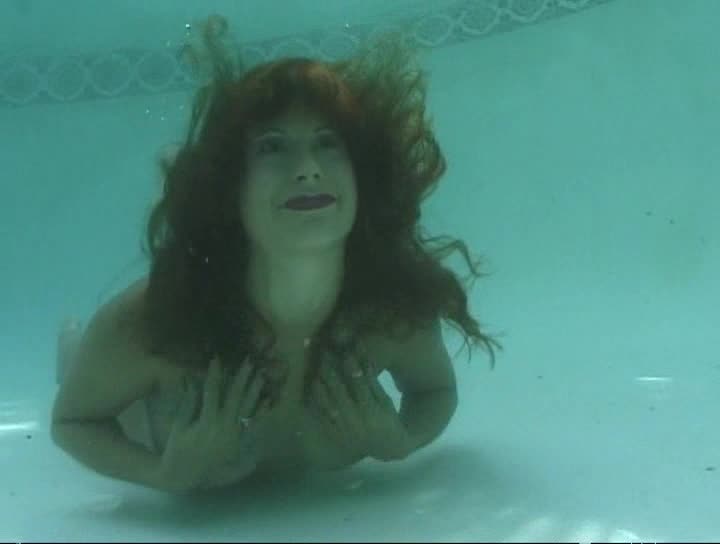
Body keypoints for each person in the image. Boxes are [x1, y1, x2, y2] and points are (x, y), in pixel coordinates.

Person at [50, 15, 502, 495]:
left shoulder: (389, 314)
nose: (307, 170)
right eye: (272, 147)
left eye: (327, 143)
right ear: (231, 188)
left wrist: (401, 442)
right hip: (135, 409)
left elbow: (435, 392)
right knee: (81, 365)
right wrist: (162, 474)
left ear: (363, 177)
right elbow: (73, 422)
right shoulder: (158, 319)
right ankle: (72, 346)